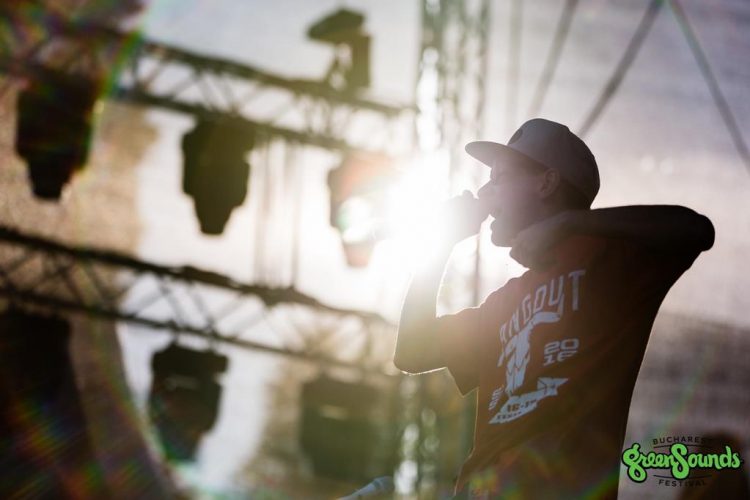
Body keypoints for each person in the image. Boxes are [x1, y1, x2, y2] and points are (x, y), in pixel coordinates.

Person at [393, 118, 715, 499]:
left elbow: (696, 228)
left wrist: (569, 224)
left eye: (499, 178)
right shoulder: (501, 305)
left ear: (546, 184)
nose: (484, 192)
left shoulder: (609, 264)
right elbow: (412, 350)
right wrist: (441, 242)